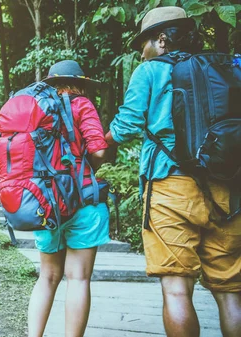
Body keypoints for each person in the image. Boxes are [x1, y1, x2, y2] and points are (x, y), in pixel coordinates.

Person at [105, 6, 241, 337]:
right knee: (230, 292)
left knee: (177, 289)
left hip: (170, 189)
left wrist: (101, 144)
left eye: (144, 45)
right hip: (228, 192)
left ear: (162, 40)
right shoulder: (226, 67)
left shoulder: (150, 71)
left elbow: (127, 126)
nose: (142, 53)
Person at [28, 60, 110, 337]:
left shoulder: (35, 108)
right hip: (83, 199)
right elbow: (98, 151)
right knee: (78, 278)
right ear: (80, 83)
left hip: (46, 203)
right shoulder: (82, 104)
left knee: (47, 277)